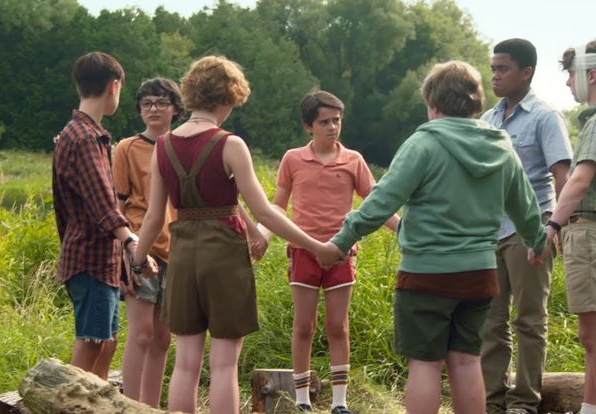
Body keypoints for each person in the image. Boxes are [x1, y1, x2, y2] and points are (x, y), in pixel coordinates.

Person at [319, 60, 548, 414]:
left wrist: (343, 240)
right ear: (475, 104)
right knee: (467, 361)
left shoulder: (423, 143)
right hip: (479, 274)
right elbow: (526, 205)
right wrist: (537, 241)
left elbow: (383, 200)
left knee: (425, 364)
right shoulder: (501, 146)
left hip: (427, 274)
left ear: (433, 104)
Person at [129, 56, 336, 414]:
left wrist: (136, 260)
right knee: (223, 363)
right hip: (224, 254)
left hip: (182, 257)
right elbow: (265, 211)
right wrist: (317, 246)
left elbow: (152, 217)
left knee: (186, 362)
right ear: (227, 97)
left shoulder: (162, 146)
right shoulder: (230, 145)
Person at [259, 90, 399, 414]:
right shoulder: (293, 159)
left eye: (337, 120)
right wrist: (264, 236)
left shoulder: (353, 160)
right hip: (303, 251)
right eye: (324, 122)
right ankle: (303, 399)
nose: (333, 127)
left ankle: (339, 402)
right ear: (309, 126)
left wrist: (404, 229)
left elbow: (376, 205)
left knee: (338, 326)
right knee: (303, 326)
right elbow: (277, 207)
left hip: (341, 252)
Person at [534, 38, 596, 414]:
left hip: (591, 234)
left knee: (595, 336)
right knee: (593, 336)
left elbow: (578, 181)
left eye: (571, 75)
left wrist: (553, 225)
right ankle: (591, 409)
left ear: (591, 74)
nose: (566, 84)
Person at [479, 39, 572, 414]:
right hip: (489, 231)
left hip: (530, 229)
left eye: (503, 69)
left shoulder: (546, 117)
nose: (495, 76)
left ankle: (524, 402)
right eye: (493, 69)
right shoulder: (487, 120)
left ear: (526, 72)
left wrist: (559, 227)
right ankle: (492, 400)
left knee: (529, 320)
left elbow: (562, 176)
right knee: (490, 322)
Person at [52, 51, 156, 379]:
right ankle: (65, 403)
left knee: (107, 340)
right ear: (114, 86)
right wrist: (131, 243)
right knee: (93, 341)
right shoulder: (84, 138)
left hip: (98, 259)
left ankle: (90, 402)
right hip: (90, 259)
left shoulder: (85, 134)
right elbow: (102, 202)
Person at [112, 77, 183, 407]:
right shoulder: (127, 148)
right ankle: (131, 406)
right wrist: (126, 249)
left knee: (163, 338)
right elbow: (118, 202)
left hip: (179, 249)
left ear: (176, 109)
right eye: (147, 103)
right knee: (141, 334)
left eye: (161, 102)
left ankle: (151, 406)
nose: (154, 109)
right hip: (141, 247)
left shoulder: (183, 146)